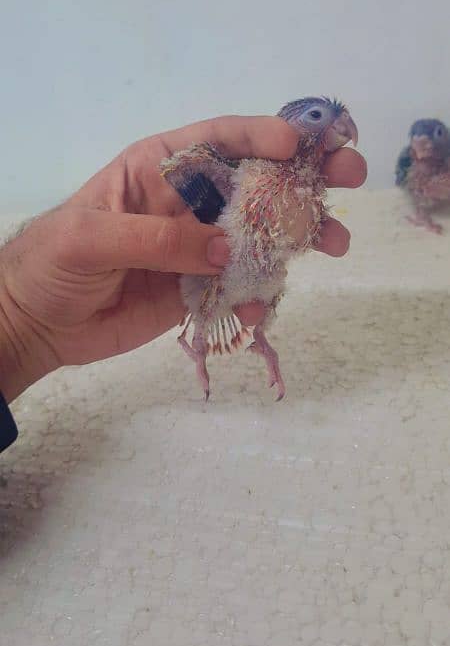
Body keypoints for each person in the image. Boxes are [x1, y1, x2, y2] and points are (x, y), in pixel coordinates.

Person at [0, 114, 366, 449]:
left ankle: (260, 339)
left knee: (262, 296)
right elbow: (185, 171)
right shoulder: (254, 175)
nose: (338, 123)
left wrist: (21, 323)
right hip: (217, 276)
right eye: (316, 116)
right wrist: (17, 316)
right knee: (225, 290)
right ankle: (204, 345)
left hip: (253, 279)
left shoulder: (310, 193)